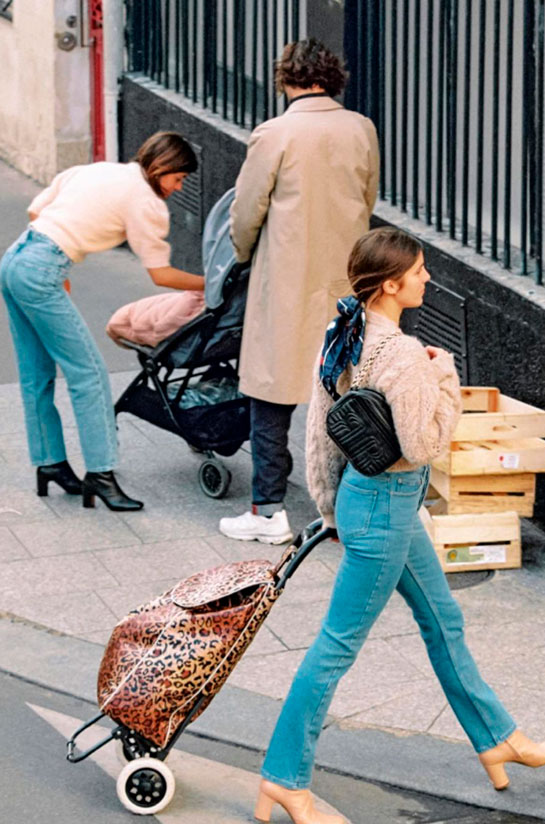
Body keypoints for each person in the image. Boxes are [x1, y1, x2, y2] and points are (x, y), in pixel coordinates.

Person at [252, 227, 545, 824]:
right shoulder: (398, 353)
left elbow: (320, 429)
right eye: (419, 271)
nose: (427, 279)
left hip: (368, 502)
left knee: (443, 620)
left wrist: (328, 507)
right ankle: (284, 778)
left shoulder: (341, 330)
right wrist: (443, 374)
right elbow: (425, 445)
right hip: (386, 508)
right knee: (335, 648)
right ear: (392, 283)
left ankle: (499, 740)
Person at [219, 38, 380, 545]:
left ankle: (269, 511)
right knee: (343, 391)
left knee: (271, 392)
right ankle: (344, 509)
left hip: (287, 279)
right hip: (346, 279)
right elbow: (368, 197)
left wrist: (244, 257)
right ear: (332, 77)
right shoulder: (361, 128)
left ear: (285, 79)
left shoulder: (274, 133)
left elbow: (246, 212)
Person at [0, 132, 205, 511]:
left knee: (35, 374)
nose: (177, 188)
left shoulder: (98, 170)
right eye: (177, 179)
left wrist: (59, 269)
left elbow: (36, 212)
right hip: (40, 271)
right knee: (90, 373)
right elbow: (160, 275)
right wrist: (209, 284)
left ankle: (50, 464)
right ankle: (101, 474)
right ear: (161, 168)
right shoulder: (146, 202)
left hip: (16, 259)